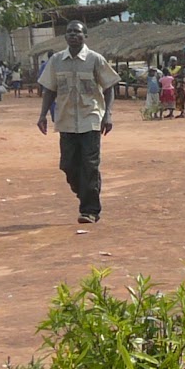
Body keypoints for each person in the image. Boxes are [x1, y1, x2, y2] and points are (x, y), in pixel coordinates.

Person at [37, 20, 121, 224]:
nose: (73, 35)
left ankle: (90, 210)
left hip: (90, 119)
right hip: (65, 121)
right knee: (68, 165)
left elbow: (109, 87)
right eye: (69, 32)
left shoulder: (95, 60)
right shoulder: (56, 60)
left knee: (90, 165)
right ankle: (85, 193)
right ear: (65, 37)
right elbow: (50, 89)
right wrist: (42, 115)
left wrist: (107, 114)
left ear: (85, 36)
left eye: (77, 32)